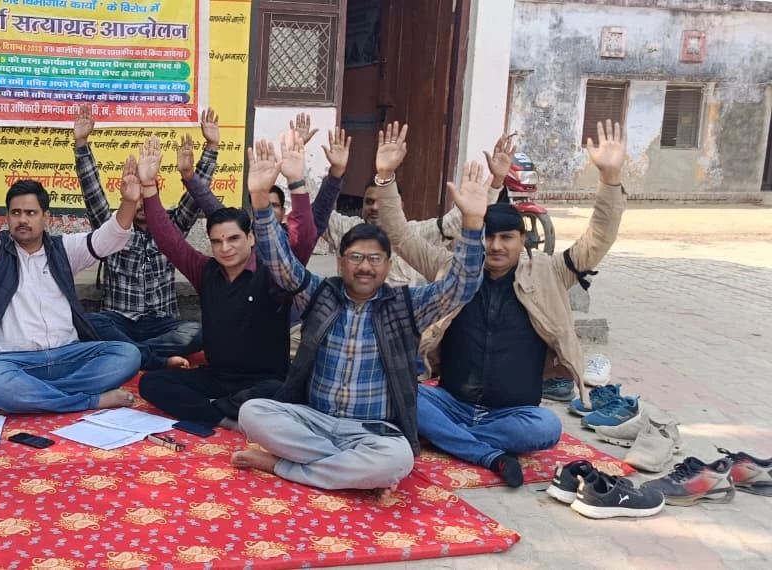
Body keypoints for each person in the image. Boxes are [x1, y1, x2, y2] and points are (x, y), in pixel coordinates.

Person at [375, 120, 628, 487]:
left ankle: (448, 438)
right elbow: (399, 237)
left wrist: (610, 178)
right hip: (449, 402)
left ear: (522, 240)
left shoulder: (551, 273)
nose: (495, 246)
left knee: (547, 427)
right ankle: (487, 454)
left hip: (513, 415)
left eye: (506, 238)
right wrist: (385, 177)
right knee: (395, 392)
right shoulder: (451, 269)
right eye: (487, 237)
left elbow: (599, 238)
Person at [232, 131, 489, 492]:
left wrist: (473, 223)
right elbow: (280, 263)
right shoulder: (320, 294)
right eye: (355, 257)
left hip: (373, 431)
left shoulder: (406, 306)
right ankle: (350, 468)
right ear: (340, 262)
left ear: (388, 265)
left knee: (398, 460)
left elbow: (459, 288)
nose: (364, 267)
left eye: (374, 259)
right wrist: (260, 198)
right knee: (252, 413)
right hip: (315, 420)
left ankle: (286, 466)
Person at [0, 146, 143, 413]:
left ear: (46, 217)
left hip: (68, 356)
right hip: (11, 361)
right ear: (7, 217)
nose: (22, 219)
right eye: (16, 213)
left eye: (30, 213)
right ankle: (89, 400)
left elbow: (108, 239)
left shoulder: (64, 249)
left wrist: (129, 202)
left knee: (127, 355)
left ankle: (29, 396)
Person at [136, 135, 306, 429]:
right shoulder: (206, 271)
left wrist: (297, 183)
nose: (225, 248)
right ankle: (224, 416)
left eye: (233, 239)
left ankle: (218, 409)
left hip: (265, 382)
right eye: (216, 241)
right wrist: (149, 187)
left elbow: (303, 240)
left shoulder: (274, 273)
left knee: (281, 392)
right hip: (216, 378)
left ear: (251, 238)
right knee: (151, 384)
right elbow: (169, 240)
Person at [75, 105, 217, 370]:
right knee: (90, 323)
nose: (140, 203)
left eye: (145, 194)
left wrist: (211, 147)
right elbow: (92, 191)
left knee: (199, 332)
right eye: (135, 195)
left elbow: (196, 198)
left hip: (162, 324)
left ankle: (131, 353)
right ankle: (149, 356)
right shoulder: (113, 228)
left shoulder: (171, 226)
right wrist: (81, 143)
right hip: (119, 320)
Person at [319, 125, 512, 287]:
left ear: (397, 205)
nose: (375, 208)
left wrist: (496, 181)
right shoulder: (345, 228)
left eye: (381, 202)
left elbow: (459, 220)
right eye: (369, 202)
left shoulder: (415, 234)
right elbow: (316, 215)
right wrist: (335, 173)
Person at [180, 113, 329, 264]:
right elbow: (208, 201)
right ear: (252, 212)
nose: (268, 210)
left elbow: (318, 211)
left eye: (274, 205)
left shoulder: (295, 241)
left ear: (284, 212)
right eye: (263, 204)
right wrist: (189, 176)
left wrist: (331, 172)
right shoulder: (242, 234)